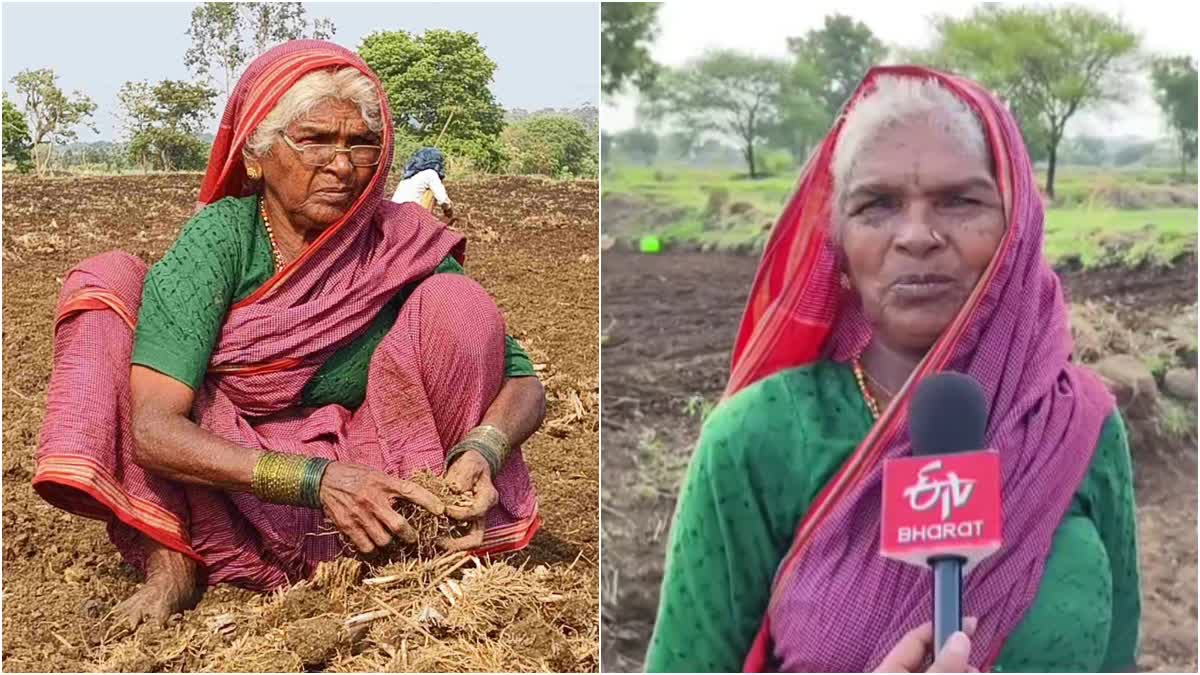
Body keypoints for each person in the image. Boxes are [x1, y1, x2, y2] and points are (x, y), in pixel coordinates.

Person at [32, 41, 544, 630]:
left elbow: (524, 384)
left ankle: (435, 543)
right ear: (257, 156)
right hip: (239, 493)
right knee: (110, 286)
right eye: (316, 140)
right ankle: (170, 558)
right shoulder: (222, 241)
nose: (343, 165)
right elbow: (151, 431)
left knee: (460, 303)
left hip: (381, 493)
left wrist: (483, 449)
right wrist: (314, 480)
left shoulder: (399, 241)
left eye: (360, 144)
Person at [645, 67, 1139, 672]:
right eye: (878, 205)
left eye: (960, 200)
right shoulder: (760, 436)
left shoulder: (1077, 422)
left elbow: (1118, 651)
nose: (918, 235)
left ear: (1017, 232)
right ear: (841, 252)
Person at [392, 146, 454, 219]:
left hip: (393, 213)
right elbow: (443, 200)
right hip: (409, 217)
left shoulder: (407, 178)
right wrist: (449, 210)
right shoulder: (430, 173)